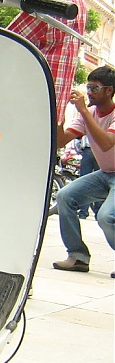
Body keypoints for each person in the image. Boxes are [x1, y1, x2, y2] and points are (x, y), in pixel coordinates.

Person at [7, 0, 87, 128]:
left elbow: (5, 40)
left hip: (30, 105)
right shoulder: (78, 1)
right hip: (53, 111)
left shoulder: (49, 1)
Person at [52, 66, 115, 274]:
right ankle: (78, 256)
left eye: (94, 88)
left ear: (109, 90)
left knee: (105, 217)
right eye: (87, 87)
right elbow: (61, 141)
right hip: (105, 173)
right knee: (64, 196)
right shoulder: (88, 114)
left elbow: (107, 143)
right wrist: (59, 115)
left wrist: (85, 112)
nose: (88, 92)